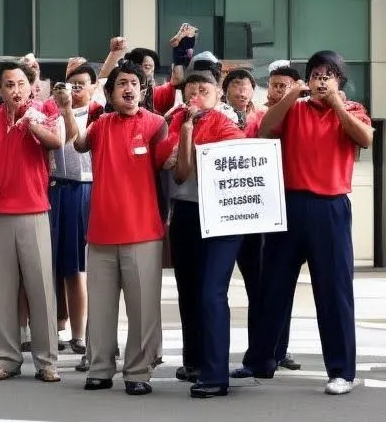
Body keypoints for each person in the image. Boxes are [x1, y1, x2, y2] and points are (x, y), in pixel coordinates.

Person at [244, 51, 372, 395]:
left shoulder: (352, 109)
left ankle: (341, 371)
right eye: (315, 74)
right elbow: (266, 129)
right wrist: (291, 94)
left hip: (330, 207)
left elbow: (366, 139)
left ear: (340, 81)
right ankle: (261, 361)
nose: (320, 80)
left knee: (333, 291)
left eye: (328, 75)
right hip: (290, 204)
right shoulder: (295, 108)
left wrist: (337, 104)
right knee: (272, 286)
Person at [63, 62, 166, 395]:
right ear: (110, 93)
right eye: (122, 83)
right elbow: (79, 144)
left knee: (143, 309)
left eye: (135, 83)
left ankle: (138, 371)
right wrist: (66, 110)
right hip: (101, 232)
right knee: (101, 308)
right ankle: (100, 368)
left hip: (143, 232)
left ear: (144, 91)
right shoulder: (101, 124)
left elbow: (168, 163)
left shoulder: (156, 124)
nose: (129, 88)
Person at [154, 69, 245, 398]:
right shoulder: (177, 121)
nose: (196, 96)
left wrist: (191, 142)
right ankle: (193, 360)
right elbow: (165, 158)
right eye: (190, 90)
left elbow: (232, 154)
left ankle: (215, 372)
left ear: (217, 93)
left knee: (211, 292)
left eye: (203, 90)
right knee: (188, 290)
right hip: (185, 211)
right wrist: (185, 133)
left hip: (220, 214)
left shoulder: (224, 122)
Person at [0, 61, 62, 382]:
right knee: (2, 290)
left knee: (41, 289)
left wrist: (31, 125)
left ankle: (47, 360)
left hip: (34, 211)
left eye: (21, 84)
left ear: (30, 86)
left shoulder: (42, 112)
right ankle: (6, 358)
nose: (16, 90)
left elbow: (56, 141)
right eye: (9, 85)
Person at [235, 62, 305, 373]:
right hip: (255, 210)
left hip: (288, 208)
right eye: (273, 85)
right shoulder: (259, 118)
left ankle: (279, 349)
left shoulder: (301, 114)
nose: (276, 91)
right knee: (263, 284)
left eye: (283, 86)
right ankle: (263, 352)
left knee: (281, 283)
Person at [49, 63, 96, 364]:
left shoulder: (97, 112)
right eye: (71, 84)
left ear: (93, 87)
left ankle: (78, 334)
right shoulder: (51, 111)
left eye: (81, 84)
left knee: (76, 265)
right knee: (54, 263)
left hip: (82, 188)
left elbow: (75, 140)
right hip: (55, 187)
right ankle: (54, 327)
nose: (76, 90)